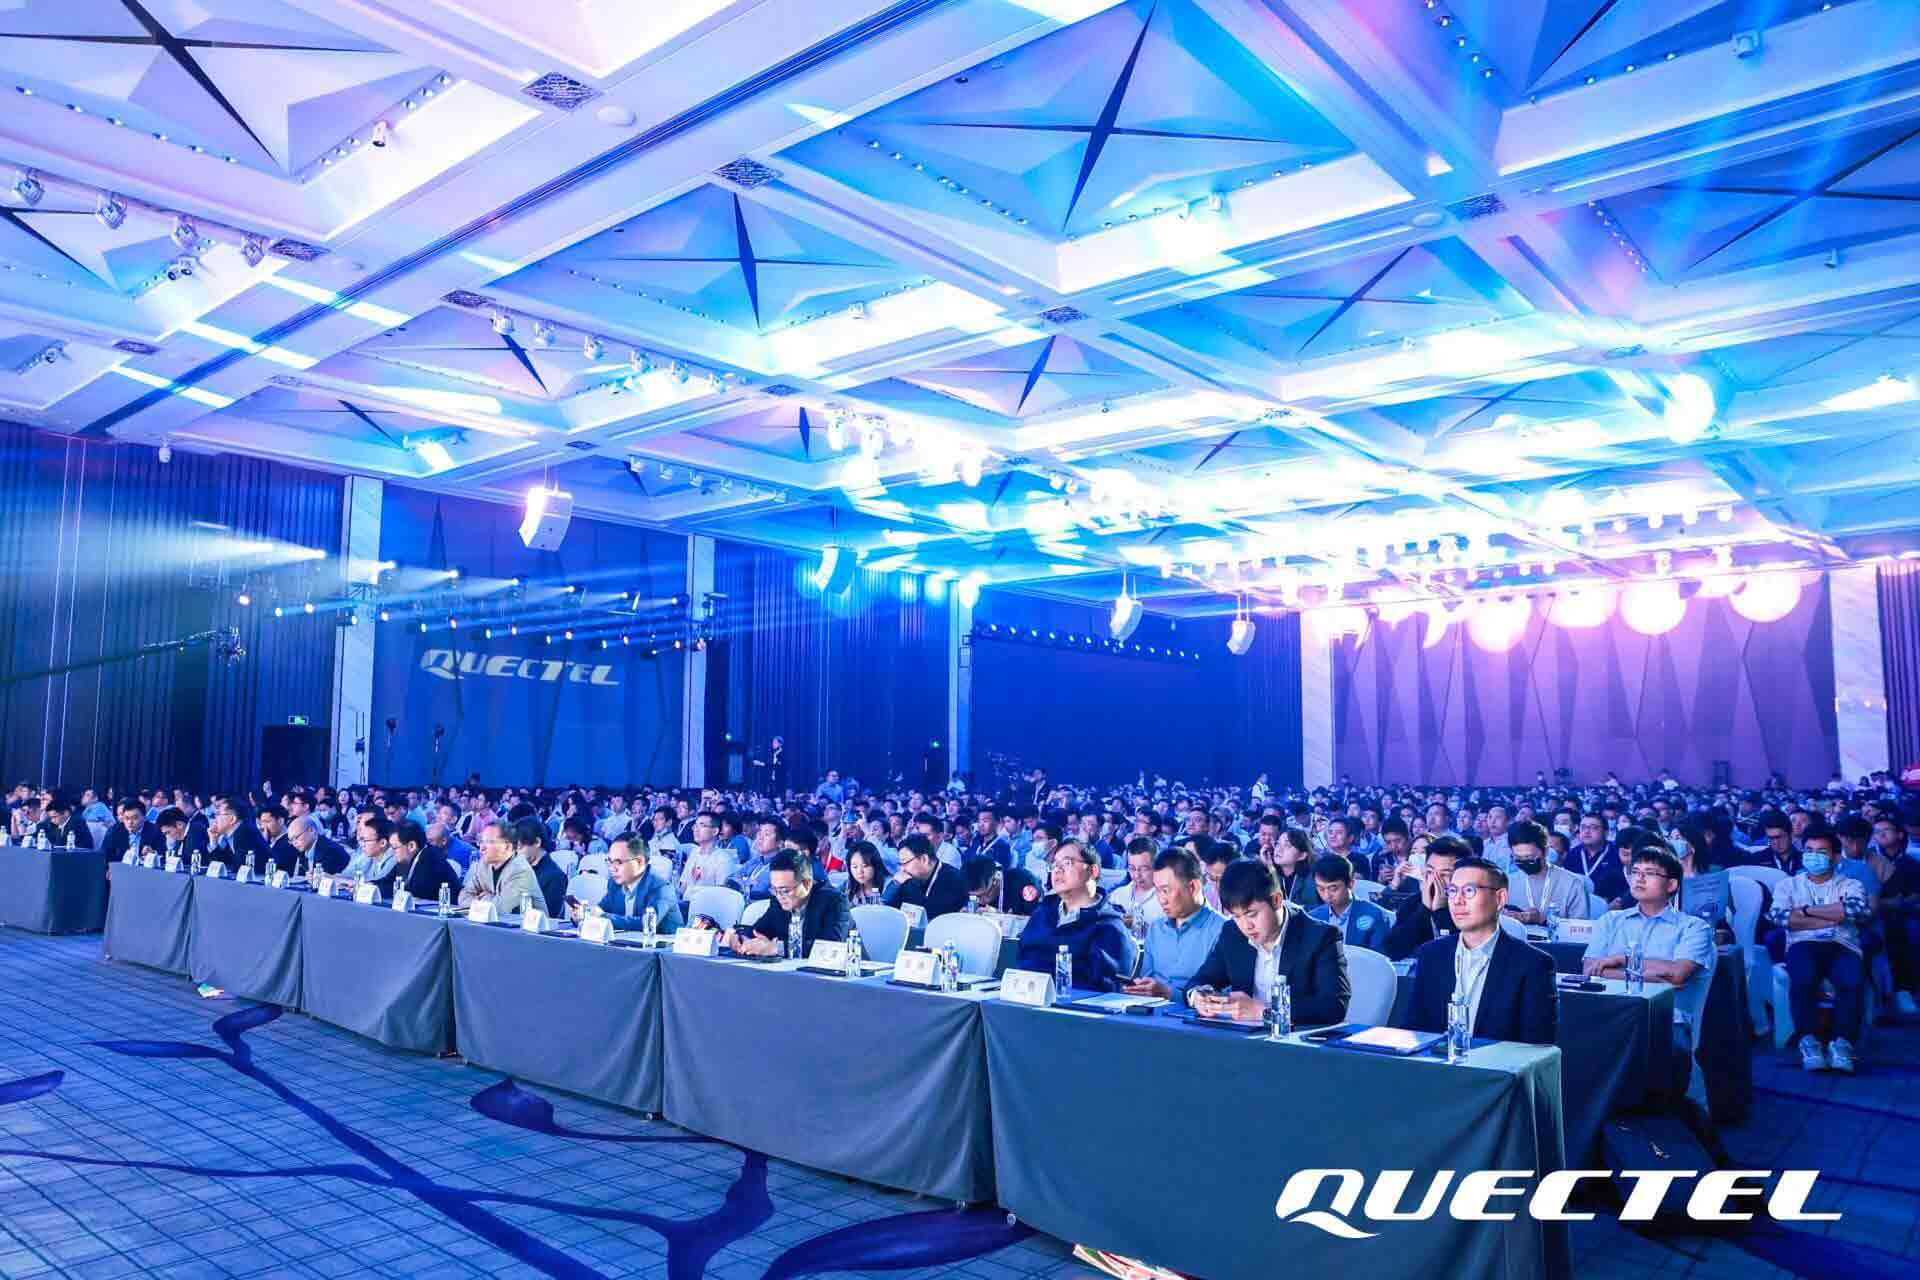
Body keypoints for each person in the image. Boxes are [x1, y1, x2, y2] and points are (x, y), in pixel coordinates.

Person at [1582, 846, 1715, 1099]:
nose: (1639, 878)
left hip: (1665, 1018)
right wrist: (1655, 975)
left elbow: (1678, 975)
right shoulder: (1610, 920)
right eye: (1635, 872)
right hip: (1607, 1012)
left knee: (1668, 1054)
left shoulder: (1693, 927)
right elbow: (1591, 970)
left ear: (1672, 884)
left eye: (1650, 873)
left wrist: (1621, 960)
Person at [1400, 856, 1558, 1045]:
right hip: (1435, 1061)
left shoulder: (1533, 964)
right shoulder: (1431, 955)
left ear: (1500, 898)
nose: (1457, 901)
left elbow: (1537, 1049)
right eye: (1452, 891)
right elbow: (1413, 1030)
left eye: (1469, 891)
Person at [1186, 860, 1350, 1027]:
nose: (1246, 926)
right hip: (1242, 1036)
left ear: (1277, 900)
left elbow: (1334, 1006)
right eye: (1236, 916)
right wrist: (1198, 996)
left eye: (1252, 914)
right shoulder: (1232, 932)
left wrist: (1264, 1012)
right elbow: (1200, 980)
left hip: (1295, 1037)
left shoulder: (1320, 936)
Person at [1769, 834, 1872, 1073]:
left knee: (1851, 981)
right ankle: (1809, 1042)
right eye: (1809, 850)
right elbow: (1779, 917)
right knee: (1803, 979)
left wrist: (1804, 911)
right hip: (1802, 944)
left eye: (1821, 852)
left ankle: (1842, 1044)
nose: (1813, 856)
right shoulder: (1788, 885)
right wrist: (1833, 916)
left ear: (1835, 857)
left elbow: (1854, 911)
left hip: (1842, 944)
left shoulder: (1850, 884)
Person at [1014, 840, 1132, 992]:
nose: (1057, 870)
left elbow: (1104, 987)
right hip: (1027, 997)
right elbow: (1021, 960)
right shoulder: (1042, 913)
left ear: (1093, 871)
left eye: (1067, 863)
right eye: (1054, 865)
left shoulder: (1109, 926)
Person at [1122, 848, 1228, 1002]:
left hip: (1193, 1013)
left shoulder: (1223, 930)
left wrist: (1169, 994)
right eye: (1157, 891)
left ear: (1193, 887)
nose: (1161, 899)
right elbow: (1145, 978)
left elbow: (1223, 997)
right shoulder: (1157, 928)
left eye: (1166, 890)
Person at [732, 851, 851, 958]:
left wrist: (777, 948)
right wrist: (740, 937)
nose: (779, 896)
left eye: (785, 890)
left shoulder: (834, 901)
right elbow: (758, 931)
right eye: (774, 890)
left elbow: (831, 948)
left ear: (807, 884)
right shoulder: (777, 901)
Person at [570, 833, 681, 933]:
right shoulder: (614, 884)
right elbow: (600, 910)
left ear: (639, 862)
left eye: (618, 862)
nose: (612, 868)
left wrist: (602, 917)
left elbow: (646, 923)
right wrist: (584, 916)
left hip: (660, 947)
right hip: (625, 944)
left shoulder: (662, 888)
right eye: (609, 861)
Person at [1383, 836, 1469, 959]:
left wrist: (1441, 911)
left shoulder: (1472, 905)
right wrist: (1424, 910)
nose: (1435, 879)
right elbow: (1392, 950)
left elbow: (1460, 953)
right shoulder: (1413, 902)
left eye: (1444, 874)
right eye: (1430, 871)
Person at [1501, 820, 1590, 925]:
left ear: (1546, 851)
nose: (1524, 862)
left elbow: (1580, 930)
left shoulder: (1572, 884)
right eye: (1518, 858)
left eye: (1529, 857)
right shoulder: (1508, 883)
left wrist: (1543, 920)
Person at [1307, 855, 1393, 952]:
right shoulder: (1312, 918)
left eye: (1333, 888)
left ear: (1351, 884)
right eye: (1321, 889)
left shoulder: (1375, 915)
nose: (1327, 895)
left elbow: (1379, 958)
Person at [460, 821, 541, 916]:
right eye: (481, 841)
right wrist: (490, 899)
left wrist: (484, 898)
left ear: (507, 846)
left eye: (489, 842)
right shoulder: (484, 865)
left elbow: (498, 909)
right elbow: (463, 898)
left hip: (527, 924)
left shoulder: (521, 871)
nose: (482, 848)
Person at [883, 834, 968, 920]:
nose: (902, 869)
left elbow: (932, 916)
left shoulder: (953, 880)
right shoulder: (909, 878)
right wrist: (895, 884)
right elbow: (887, 908)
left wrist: (909, 885)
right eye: (900, 864)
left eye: (905, 863)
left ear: (924, 859)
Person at [381, 819, 462, 903]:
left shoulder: (431, 858)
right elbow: (386, 881)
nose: (392, 852)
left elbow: (415, 891)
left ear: (411, 846)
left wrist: (383, 889)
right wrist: (373, 886)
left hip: (444, 908)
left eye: (394, 848)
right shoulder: (405, 859)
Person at [513, 817, 568, 918]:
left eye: (520, 847)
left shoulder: (555, 877)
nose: (516, 853)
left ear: (537, 842)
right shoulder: (518, 869)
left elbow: (547, 916)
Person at [1107, 837, 1164, 929]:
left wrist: (1137, 926)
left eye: (1144, 869)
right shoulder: (1117, 895)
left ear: (1157, 867)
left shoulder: (1166, 900)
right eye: (1132, 868)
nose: (1137, 875)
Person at [676, 813, 736, 897]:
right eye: (695, 826)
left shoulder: (723, 859)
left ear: (715, 831)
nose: (696, 830)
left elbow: (723, 893)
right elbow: (683, 886)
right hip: (687, 901)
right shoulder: (694, 852)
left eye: (702, 826)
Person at [961, 854, 1041, 916]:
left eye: (984, 895)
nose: (980, 901)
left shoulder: (1025, 884)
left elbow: (1034, 921)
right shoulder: (968, 884)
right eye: (975, 897)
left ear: (996, 879)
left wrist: (1003, 917)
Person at [206, 795, 268, 872]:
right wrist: (213, 841)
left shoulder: (245, 833)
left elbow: (239, 869)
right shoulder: (234, 834)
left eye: (218, 814)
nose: (215, 819)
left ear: (232, 819)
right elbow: (221, 865)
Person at [100, 796, 163, 862]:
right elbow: (103, 856)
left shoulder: (155, 831)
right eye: (126, 818)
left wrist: (153, 854)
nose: (130, 822)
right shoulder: (114, 831)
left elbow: (162, 854)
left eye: (135, 818)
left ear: (144, 818)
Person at [342, 814, 396, 883]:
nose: (363, 844)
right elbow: (350, 873)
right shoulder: (373, 856)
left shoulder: (394, 860)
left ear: (382, 843)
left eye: (365, 840)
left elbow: (376, 883)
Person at [844, 841, 891, 907]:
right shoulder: (848, 885)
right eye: (855, 867)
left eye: (865, 866)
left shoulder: (889, 885)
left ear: (875, 864)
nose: (859, 871)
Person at [256, 804, 298, 876]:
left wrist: (264, 844)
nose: (263, 827)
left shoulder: (289, 842)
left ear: (280, 821)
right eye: (262, 822)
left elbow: (268, 866)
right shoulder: (271, 840)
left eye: (267, 822)